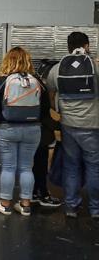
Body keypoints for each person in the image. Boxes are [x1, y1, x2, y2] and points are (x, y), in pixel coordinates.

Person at [0, 47, 51, 216]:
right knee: (26, 167)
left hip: (7, 128)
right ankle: (25, 205)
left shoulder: (0, 80)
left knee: (8, 167)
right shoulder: (37, 80)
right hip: (33, 129)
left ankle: (5, 204)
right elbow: (45, 108)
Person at [46, 32, 99, 219]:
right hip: (93, 125)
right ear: (87, 45)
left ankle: (71, 207)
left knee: (71, 166)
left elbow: (50, 94)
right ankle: (95, 209)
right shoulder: (94, 66)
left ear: (68, 46)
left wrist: (58, 111)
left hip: (68, 124)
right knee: (94, 166)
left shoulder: (58, 69)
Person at [32, 59, 62, 208]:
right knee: (41, 163)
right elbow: (46, 110)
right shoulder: (42, 86)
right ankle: (43, 193)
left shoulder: (33, 82)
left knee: (33, 164)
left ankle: (32, 193)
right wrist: (57, 125)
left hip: (30, 127)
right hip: (42, 129)